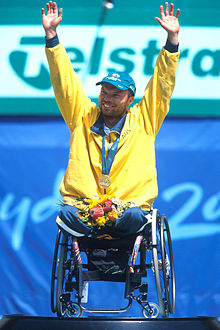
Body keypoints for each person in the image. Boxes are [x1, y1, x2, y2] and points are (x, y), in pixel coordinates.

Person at [42, 1, 180, 239]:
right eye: (104, 92)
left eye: (116, 95)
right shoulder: (82, 116)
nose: (107, 99)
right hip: (85, 208)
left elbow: (162, 85)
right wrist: (52, 36)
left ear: (130, 99)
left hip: (127, 209)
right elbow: (64, 83)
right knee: (66, 213)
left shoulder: (144, 120)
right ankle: (90, 233)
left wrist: (172, 41)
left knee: (135, 216)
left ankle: (118, 232)